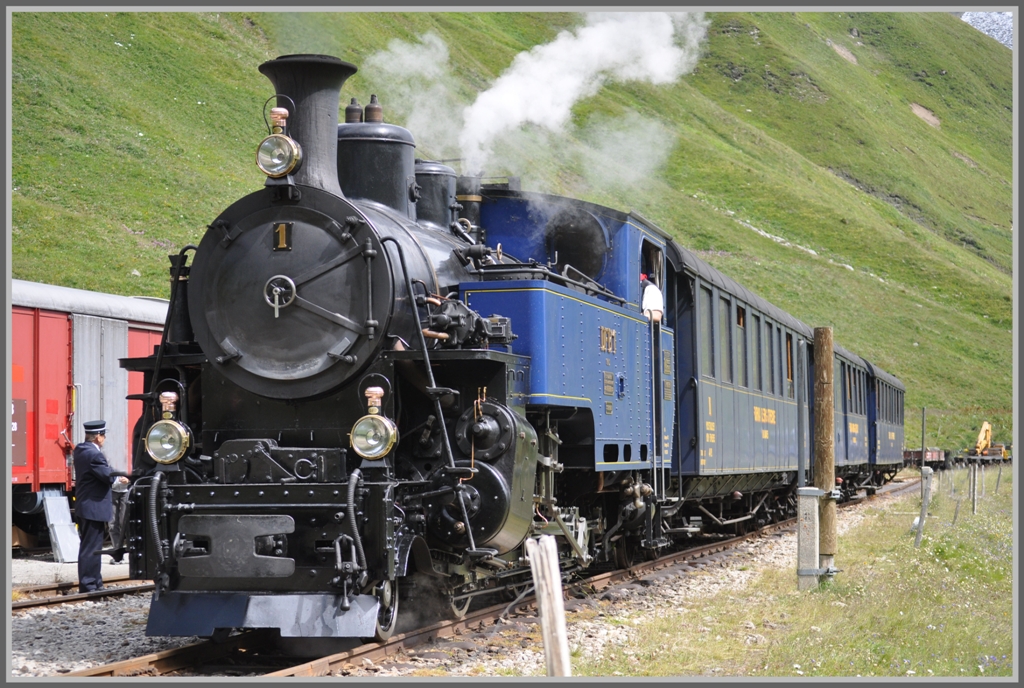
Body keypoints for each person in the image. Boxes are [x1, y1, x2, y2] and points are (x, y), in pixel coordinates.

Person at [72, 420, 128, 592]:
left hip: (86, 506)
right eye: (103, 435)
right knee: (91, 548)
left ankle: (96, 582)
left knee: (92, 546)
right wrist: (120, 478)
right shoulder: (95, 455)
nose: (104, 439)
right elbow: (106, 476)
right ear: (98, 437)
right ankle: (89, 584)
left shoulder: (81, 450)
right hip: (93, 507)